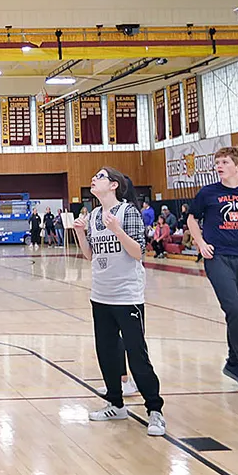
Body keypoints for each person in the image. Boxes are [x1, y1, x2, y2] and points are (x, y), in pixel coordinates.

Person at [74, 167, 166, 436]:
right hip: (100, 295)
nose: (94, 179)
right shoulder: (91, 216)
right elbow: (91, 256)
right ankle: (115, 403)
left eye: (100, 176)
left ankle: (155, 410)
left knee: (137, 354)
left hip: (128, 296)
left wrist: (117, 230)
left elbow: (138, 252)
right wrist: (80, 233)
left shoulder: (128, 213)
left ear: (113, 185)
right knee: (107, 353)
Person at [187, 146, 238, 393]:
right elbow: (192, 218)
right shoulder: (208, 192)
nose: (219, 166)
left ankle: (232, 362)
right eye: (217, 162)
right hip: (217, 256)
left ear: (237, 166)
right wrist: (201, 243)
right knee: (232, 308)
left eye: (224, 162)